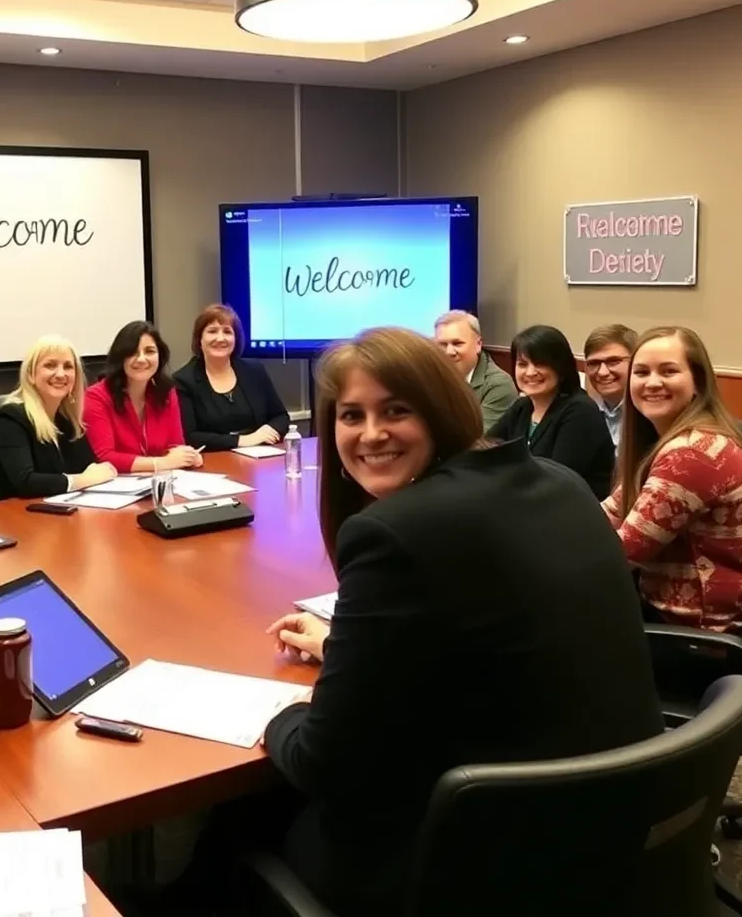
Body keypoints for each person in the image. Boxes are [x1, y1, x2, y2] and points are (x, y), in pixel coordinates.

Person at [251, 328, 662, 917]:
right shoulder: (559, 481)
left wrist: (281, 716)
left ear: (441, 407)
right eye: (351, 415)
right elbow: (482, 630)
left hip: (489, 856)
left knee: (247, 816)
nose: (371, 434)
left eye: (396, 409)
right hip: (619, 820)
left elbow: (325, 763)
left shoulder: (394, 531)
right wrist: (347, 647)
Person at [603, 326, 742, 632]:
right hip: (667, 616)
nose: (652, 382)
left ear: (697, 383)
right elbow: (608, 513)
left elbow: (616, 557)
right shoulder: (676, 443)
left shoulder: (692, 455)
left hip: (694, 637)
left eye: (668, 371)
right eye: (641, 372)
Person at [489, 324, 615, 498]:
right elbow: (484, 449)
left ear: (561, 368)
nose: (530, 372)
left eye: (540, 364)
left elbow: (554, 483)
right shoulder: (523, 407)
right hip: (525, 503)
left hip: (571, 512)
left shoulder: (580, 411)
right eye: (522, 364)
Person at [0, 335, 117, 499]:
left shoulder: (65, 420)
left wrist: (92, 475)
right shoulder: (10, 418)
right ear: (30, 375)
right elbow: (26, 482)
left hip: (60, 511)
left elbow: (91, 467)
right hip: (18, 516)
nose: (61, 374)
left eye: (68, 367)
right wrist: (82, 480)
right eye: (50, 365)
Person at [84, 321, 202, 473]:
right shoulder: (96, 397)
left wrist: (188, 455)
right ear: (120, 358)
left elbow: (175, 445)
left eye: (150, 351)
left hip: (160, 482)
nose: (141, 359)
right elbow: (104, 457)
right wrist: (160, 463)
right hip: (117, 487)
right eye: (133, 352)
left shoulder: (166, 392)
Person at [173, 304, 290, 451]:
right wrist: (243, 440)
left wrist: (268, 430)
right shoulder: (183, 380)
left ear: (236, 339)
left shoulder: (254, 370)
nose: (220, 338)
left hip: (260, 458)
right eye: (212, 331)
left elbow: (281, 417)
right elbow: (190, 436)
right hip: (213, 461)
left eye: (227, 332)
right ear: (199, 340)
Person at [433, 309, 517, 430]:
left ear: (478, 344)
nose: (449, 352)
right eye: (442, 345)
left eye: (457, 343)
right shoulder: (429, 376)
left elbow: (479, 438)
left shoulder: (499, 385)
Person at [583, 323, 638, 449]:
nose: (602, 372)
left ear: (636, 362)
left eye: (613, 361)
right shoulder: (585, 413)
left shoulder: (650, 414)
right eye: (594, 363)